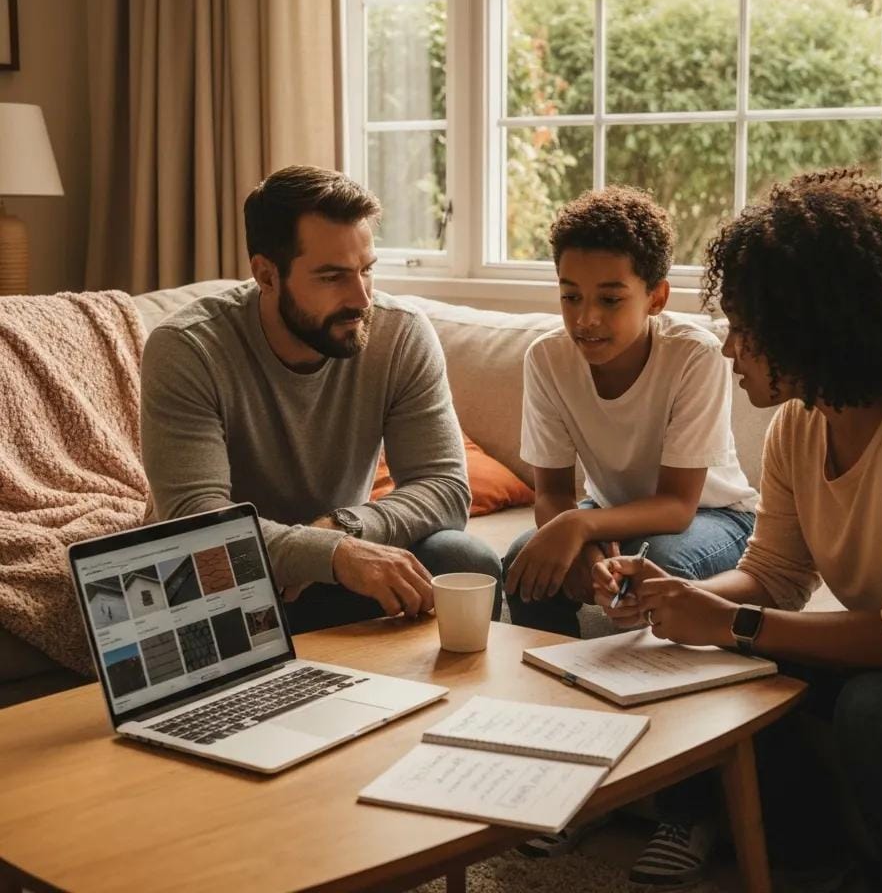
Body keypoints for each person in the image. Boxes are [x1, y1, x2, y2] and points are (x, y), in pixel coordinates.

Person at [595, 169, 882, 893]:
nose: (729, 349)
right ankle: (813, 859)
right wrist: (677, 596)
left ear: (809, 326)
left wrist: (732, 621)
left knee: (880, 714)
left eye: (744, 328)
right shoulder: (800, 423)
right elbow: (775, 575)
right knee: (727, 663)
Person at [503, 185, 757, 879]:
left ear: (657, 297)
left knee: (664, 567)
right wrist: (575, 542)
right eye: (569, 295)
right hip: (610, 516)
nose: (585, 318)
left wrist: (582, 526)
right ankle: (570, 775)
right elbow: (551, 492)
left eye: (610, 298)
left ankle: (690, 807)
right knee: (527, 563)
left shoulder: (694, 356)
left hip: (714, 520)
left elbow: (678, 504)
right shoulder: (546, 360)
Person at [141, 165, 501, 631]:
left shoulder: (400, 335)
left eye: (366, 271)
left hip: (337, 568)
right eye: (332, 277)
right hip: (226, 577)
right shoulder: (188, 348)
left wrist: (342, 532)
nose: (361, 299)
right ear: (266, 276)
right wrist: (331, 553)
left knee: (463, 559)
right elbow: (196, 524)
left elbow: (445, 488)